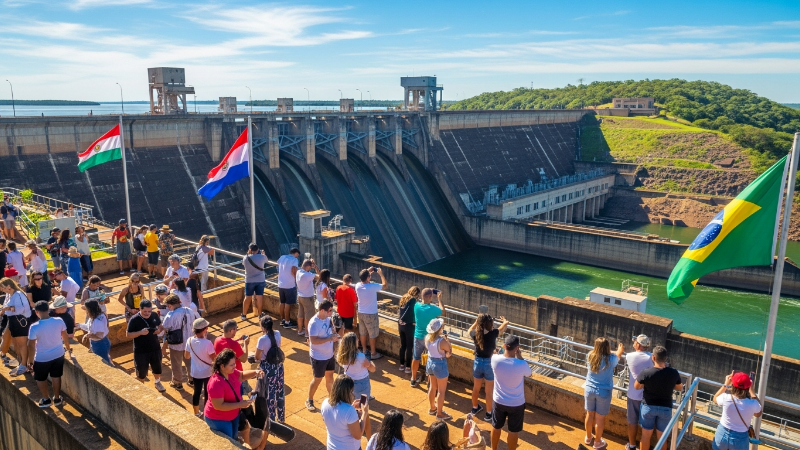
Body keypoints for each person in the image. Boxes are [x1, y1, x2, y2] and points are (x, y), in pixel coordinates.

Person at [204, 349, 263, 440]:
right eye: (231, 365)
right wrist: (240, 404)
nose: (234, 366)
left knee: (234, 437)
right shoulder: (216, 383)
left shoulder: (231, 372)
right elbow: (218, 406)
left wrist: (255, 372)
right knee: (229, 439)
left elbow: (242, 376)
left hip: (233, 414)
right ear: (222, 366)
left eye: (234, 363)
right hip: (218, 418)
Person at [635, 346, 684, 450]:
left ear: (653, 358)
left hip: (648, 407)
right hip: (665, 408)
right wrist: (669, 384)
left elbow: (637, 386)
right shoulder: (673, 372)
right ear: (665, 358)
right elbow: (680, 387)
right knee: (662, 438)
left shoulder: (646, 372)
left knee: (645, 436)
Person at [491, 335, 532, 450]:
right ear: (517, 348)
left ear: (504, 346)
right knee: (513, 431)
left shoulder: (495, 359)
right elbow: (529, 373)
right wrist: (520, 357)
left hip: (499, 401)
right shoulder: (521, 364)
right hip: (516, 403)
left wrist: (499, 352)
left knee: (496, 426)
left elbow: (495, 355)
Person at [28, 300, 71, 408]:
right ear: (48, 309)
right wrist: (68, 348)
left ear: (36, 312)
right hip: (58, 354)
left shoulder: (34, 327)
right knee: (56, 376)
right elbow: (65, 336)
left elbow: (31, 345)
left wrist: (30, 361)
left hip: (42, 358)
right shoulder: (59, 320)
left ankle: (46, 399)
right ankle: (57, 398)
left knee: (40, 378)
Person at [584, 337, 624, 450]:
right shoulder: (611, 359)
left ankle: (588, 437)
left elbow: (599, 354)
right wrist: (620, 349)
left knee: (589, 414)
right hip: (603, 392)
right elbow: (619, 354)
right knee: (600, 419)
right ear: (607, 347)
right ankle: (597, 442)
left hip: (589, 389)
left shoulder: (590, 356)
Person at [470, 313, 509, 419]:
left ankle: (474, 407)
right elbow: (504, 327)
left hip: (477, 362)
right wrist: (505, 320)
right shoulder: (493, 333)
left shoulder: (475, 334)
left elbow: (469, 330)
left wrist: (476, 322)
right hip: (489, 364)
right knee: (488, 391)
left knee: (476, 388)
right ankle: (488, 414)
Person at [337, 331, 376, 436]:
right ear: (354, 343)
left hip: (348, 384)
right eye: (357, 340)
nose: (358, 341)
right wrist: (370, 362)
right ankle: (365, 432)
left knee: (351, 405)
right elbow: (372, 369)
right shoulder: (360, 356)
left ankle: (352, 424)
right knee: (364, 408)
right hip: (362, 386)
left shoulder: (342, 355)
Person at [712, 371, 762, 450]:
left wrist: (726, 384)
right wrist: (752, 392)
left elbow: (715, 398)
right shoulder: (752, 404)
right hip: (740, 438)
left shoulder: (725, 398)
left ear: (733, 385)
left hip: (722, 433)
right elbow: (758, 413)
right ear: (748, 386)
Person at [306, 300, 340, 412]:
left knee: (330, 377)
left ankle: (333, 399)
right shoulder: (314, 323)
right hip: (318, 357)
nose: (331, 312)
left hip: (329, 355)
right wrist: (330, 338)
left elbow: (332, 331)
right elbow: (313, 341)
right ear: (322, 310)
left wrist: (335, 335)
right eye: (329, 310)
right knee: (317, 379)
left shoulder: (328, 319)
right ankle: (309, 400)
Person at [125, 299, 166, 392]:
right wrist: (140, 332)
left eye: (149, 311)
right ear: (140, 309)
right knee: (141, 372)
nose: (147, 313)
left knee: (157, 367)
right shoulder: (134, 319)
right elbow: (128, 334)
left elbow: (160, 325)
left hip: (155, 347)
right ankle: (141, 389)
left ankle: (157, 382)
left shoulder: (155, 315)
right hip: (141, 351)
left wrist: (159, 330)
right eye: (145, 311)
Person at [321, 374, 369, 450]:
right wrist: (364, 414)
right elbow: (358, 435)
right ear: (346, 392)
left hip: (331, 447)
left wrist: (351, 408)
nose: (353, 394)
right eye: (351, 391)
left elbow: (335, 421)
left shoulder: (325, 403)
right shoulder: (349, 410)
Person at [162, 294, 199, 390]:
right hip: (189, 342)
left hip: (176, 344)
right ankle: (192, 380)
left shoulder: (171, 314)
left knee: (176, 364)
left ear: (170, 305)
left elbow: (165, 326)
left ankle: (177, 383)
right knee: (190, 362)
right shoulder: (190, 311)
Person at [411, 288, 445, 387]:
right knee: (431, 359)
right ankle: (429, 383)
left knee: (416, 358)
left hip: (418, 336)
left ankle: (413, 379)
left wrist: (429, 295)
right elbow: (442, 312)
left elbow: (423, 300)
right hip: (430, 338)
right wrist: (439, 299)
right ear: (430, 297)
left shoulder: (416, 306)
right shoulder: (433, 308)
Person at [254, 315, 285, 423]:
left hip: (267, 369)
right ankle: (281, 417)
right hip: (279, 366)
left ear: (263, 327)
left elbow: (257, 357)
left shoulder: (262, 339)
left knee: (269, 395)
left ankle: (271, 421)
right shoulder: (278, 334)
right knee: (279, 391)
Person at [626, 335, 654, 450]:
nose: (633, 343)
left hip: (633, 395)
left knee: (632, 422)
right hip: (647, 397)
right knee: (646, 426)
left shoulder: (629, 356)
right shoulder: (653, 357)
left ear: (638, 345)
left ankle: (632, 445)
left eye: (635, 342)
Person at [0, 277, 32, 375]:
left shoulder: (18, 294)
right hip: (14, 321)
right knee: (17, 344)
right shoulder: (11, 294)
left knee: (22, 345)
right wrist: (8, 309)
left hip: (20, 322)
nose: (1, 289)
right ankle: (21, 364)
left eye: (2, 287)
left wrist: (8, 308)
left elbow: (20, 310)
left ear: (8, 286)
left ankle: (24, 365)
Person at [185, 317, 216, 416]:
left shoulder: (189, 340)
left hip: (195, 372)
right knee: (208, 393)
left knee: (197, 392)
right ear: (204, 330)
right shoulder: (208, 343)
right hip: (207, 372)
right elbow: (214, 359)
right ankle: (207, 412)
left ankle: (196, 412)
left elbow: (186, 356)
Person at [355, 267, 386, 360]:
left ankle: (364, 350)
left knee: (363, 333)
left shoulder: (357, 286)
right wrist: (380, 274)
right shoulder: (372, 286)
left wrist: (368, 271)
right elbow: (385, 285)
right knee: (372, 334)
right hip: (371, 314)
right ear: (368, 277)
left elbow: (363, 277)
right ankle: (373, 353)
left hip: (361, 312)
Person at [425, 318, 453, 420]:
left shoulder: (427, 337)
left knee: (432, 387)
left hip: (430, 362)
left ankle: (433, 408)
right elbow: (449, 353)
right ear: (439, 329)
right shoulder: (442, 341)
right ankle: (440, 413)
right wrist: (448, 341)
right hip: (439, 364)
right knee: (441, 391)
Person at [242, 243, 268, 320]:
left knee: (247, 297)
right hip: (260, 280)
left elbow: (243, 263)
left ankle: (243, 315)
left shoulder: (246, 258)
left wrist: (248, 254)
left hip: (249, 280)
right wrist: (263, 253)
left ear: (250, 250)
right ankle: (260, 314)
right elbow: (266, 260)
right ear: (257, 249)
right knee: (259, 297)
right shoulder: (262, 257)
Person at [81, 299, 111, 364]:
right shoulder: (99, 316)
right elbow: (90, 328)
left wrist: (89, 335)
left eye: (87, 309)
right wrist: (79, 325)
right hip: (102, 342)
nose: (86, 311)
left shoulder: (97, 321)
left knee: (106, 363)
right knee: (106, 359)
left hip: (99, 345)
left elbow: (99, 336)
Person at [276, 248, 300, 328]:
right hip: (289, 284)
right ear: (295, 253)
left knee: (282, 302)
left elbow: (277, 266)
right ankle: (287, 322)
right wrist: (296, 279)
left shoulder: (282, 257)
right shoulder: (294, 260)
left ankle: (283, 319)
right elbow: (294, 270)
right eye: (297, 255)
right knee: (288, 303)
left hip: (281, 283)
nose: (297, 257)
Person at [296, 259, 319, 337]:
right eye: (310, 267)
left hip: (300, 296)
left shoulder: (298, 272)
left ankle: (300, 330)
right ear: (308, 266)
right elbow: (320, 277)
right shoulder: (308, 275)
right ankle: (307, 332)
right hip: (307, 297)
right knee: (308, 315)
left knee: (300, 313)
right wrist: (316, 268)